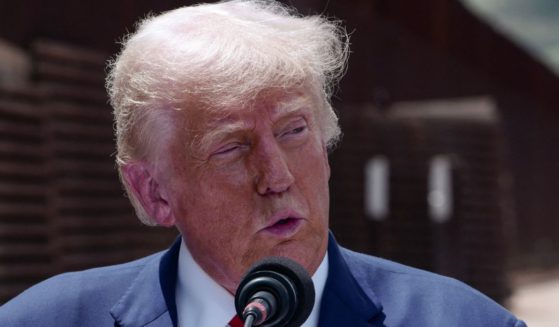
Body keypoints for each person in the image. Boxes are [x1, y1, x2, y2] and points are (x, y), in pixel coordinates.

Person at [0, 1, 525, 326]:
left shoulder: (465, 321)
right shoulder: (43, 321)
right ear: (152, 192)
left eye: (294, 131)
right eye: (231, 148)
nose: (277, 177)